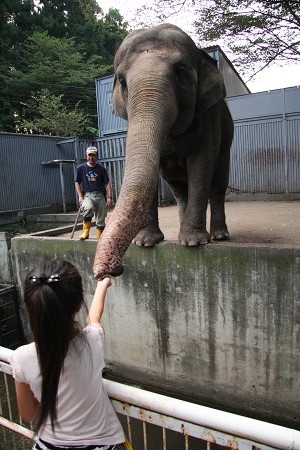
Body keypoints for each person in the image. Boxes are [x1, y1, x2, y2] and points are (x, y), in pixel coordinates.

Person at [9, 259, 126, 450]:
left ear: (33, 306)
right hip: (102, 443)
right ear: (79, 304)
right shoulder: (92, 341)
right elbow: (93, 318)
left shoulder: (21, 357)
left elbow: (28, 414)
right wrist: (102, 284)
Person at [75, 146, 113, 240]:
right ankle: (86, 232)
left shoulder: (101, 169)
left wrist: (109, 197)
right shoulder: (81, 168)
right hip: (88, 195)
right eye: (89, 155)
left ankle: (99, 236)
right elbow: (77, 182)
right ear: (86, 156)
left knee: (101, 217)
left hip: (100, 195)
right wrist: (80, 196)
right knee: (88, 207)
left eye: (94, 155)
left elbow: (107, 183)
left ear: (97, 156)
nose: (91, 157)